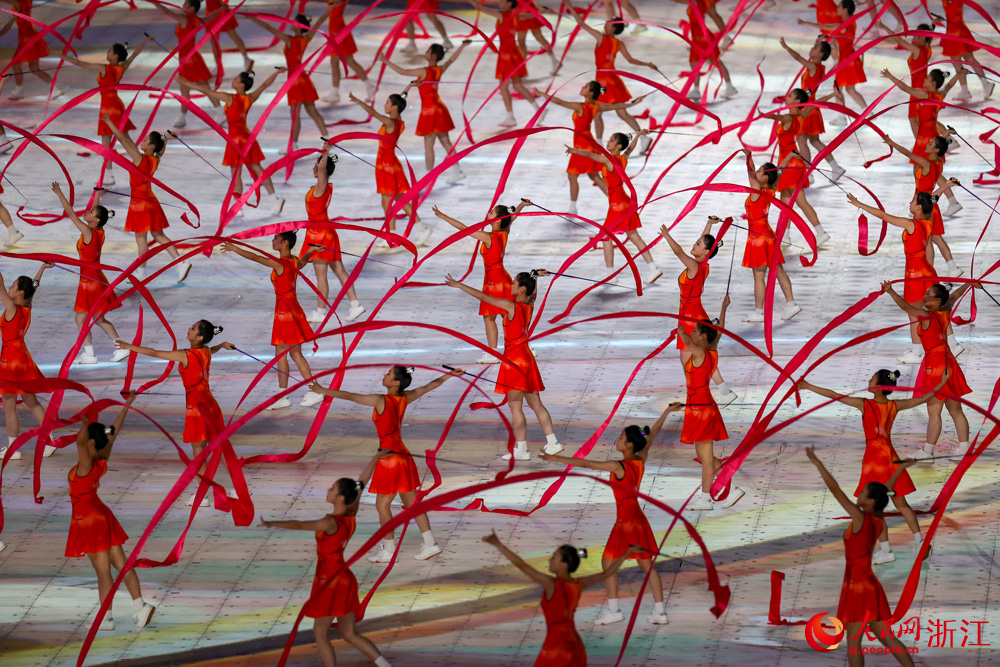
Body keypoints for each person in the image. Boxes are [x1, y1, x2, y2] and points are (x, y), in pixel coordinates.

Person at [307, 366, 463, 562]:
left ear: (396, 382)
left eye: (389, 374)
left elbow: (350, 396)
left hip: (390, 459)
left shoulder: (380, 400)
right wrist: (450, 374)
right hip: (404, 457)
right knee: (412, 503)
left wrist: (323, 390)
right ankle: (430, 543)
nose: (385, 375)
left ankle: (388, 550)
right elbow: (430, 386)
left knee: (382, 506)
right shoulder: (405, 398)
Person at [799, 369, 948, 565]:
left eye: (871, 379)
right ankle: (920, 541)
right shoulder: (895, 405)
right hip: (891, 458)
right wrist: (943, 381)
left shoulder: (865, 404)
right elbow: (925, 398)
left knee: (875, 510)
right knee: (902, 504)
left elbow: (835, 396)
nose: (867, 380)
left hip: (874, 462)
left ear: (878, 387)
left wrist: (808, 386)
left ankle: (886, 550)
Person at [540, 425, 671, 625]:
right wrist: (667, 413)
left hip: (625, 520)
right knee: (646, 564)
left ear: (628, 445)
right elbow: (648, 437)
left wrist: (556, 459)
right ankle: (660, 613)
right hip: (637, 517)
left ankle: (614, 610)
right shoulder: (640, 459)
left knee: (608, 563)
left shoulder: (618, 466)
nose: (616, 440)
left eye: (621, 437)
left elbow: (586, 464)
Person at [259, 476, 393, 667]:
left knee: (320, 633)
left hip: (329, 581)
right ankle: (385, 665)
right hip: (345, 579)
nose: (328, 491)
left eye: (332, 489)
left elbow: (299, 524)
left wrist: (272, 523)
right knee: (349, 633)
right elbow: (359, 485)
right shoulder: (351, 514)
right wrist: (377, 457)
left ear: (340, 498)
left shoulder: (330, 523)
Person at [804, 447, 918, 667]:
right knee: (885, 636)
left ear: (871, 501)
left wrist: (818, 463)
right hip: (866, 582)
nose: (859, 494)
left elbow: (836, 490)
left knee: (854, 641)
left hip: (858, 585)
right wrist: (901, 468)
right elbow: (886, 491)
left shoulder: (860, 517)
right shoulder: (876, 517)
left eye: (863, 493)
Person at [115, 320, 238, 506]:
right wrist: (221, 345)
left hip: (197, 408)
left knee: (198, 452)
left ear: (199, 337)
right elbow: (211, 350)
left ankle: (203, 495)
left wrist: (129, 346)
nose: (189, 328)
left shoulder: (184, 355)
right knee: (219, 448)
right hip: (211, 405)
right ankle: (237, 487)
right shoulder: (204, 351)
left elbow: (155, 353)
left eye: (193, 328)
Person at [445, 270, 565, 461]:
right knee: (536, 404)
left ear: (522, 288)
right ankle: (553, 443)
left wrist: (460, 285)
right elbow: (533, 293)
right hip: (526, 358)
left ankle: (522, 449)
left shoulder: (510, 306)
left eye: (514, 283)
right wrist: (535, 275)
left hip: (514, 361)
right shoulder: (530, 304)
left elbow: (484, 297)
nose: (511, 285)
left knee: (515, 406)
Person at [66, 394, 157, 632]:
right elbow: (112, 432)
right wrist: (126, 407)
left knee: (103, 572)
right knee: (121, 565)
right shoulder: (102, 458)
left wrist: (84, 423)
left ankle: (105, 618)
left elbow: (79, 443)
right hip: (101, 515)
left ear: (90, 443)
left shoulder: (86, 464)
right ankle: (140, 607)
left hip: (87, 520)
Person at [482, 530, 640, 665]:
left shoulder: (552, 584)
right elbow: (607, 573)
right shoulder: (578, 583)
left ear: (564, 564)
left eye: (554, 557)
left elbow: (523, 566)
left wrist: (498, 544)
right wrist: (627, 553)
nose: (550, 559)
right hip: (575, 645)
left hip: (557, 647)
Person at [222, 232, 324, 409]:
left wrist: (234, 248)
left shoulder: (280, 263)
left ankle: (310, 391)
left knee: (291, 353)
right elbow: (301, 263)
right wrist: (310, 252)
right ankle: (286, 394)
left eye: (276, 239)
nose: (273, 240)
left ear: (285, 243)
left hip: (286, 313)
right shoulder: (292, 260)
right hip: (289, 310)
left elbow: (255, 257)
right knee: (287, 353)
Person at [881, 280, 974, 461]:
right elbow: (954, 296)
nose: (924, 296)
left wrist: (890, 292)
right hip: (949, 363)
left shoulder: (926, 316)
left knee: (934, 412)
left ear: (937, 300)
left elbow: (905, 307)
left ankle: (928, 452)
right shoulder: (944, 312)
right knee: (956, 410)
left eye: (929, 294)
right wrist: (970, 284)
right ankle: (964, 449)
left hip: (935, 366)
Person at [845, 192, 937, 363]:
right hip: (927, 270)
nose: (909, 202)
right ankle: (947, 344)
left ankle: (917, 353)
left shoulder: (910, 224)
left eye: (912, 200)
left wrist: (860, 204)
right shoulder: (928, 221)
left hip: (914, 272)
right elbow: (930, 247)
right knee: (929, 311)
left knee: (913, 313)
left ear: (918, 207)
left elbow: (883, 216)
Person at [179, 71, 287, 216]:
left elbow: (206, 90)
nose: (234, 80)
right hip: (247, 138)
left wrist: (186, 83)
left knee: (236, 173)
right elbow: (265, 85)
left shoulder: (229, 97)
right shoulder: (249, 98)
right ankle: (275, 198)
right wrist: (278, 72)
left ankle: (239, 207)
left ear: (241, 84)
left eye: (236, 79)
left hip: (235, 140)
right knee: (257, 168)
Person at [433, 201, 528, 363]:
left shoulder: (488, 236)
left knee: (490, 317)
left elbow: (464, 228)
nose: (488, 214)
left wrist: (443, 216)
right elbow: (512, 218)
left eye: (491, 213)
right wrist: (521, 205)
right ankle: (520, 346)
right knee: (507, 314)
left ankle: (493, 353)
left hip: (494, 281)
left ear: (497, 220)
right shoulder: (504, 232)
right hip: (501, 278)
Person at [659, 217, 738, 405]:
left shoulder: (694, 266)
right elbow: (705, 244)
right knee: (699, 356)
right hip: (692, 313)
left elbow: (678, 252)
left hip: (690, 317)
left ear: (705, 252)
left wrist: (666, 235)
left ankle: (698, 397)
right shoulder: (702, 264)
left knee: (689, 362)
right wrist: (710, 224)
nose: (694, 245)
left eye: (698, 244)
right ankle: (723, 391)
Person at [565, 131, 662, 284]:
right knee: (633, 236)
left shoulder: (609, 160)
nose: (608, 142)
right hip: (624, 202)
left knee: (606, 237)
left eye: (611, 140)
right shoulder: (623, 158)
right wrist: (637, 136)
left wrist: (574, 151)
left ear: (618, 146)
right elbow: (630, 149)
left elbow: (591, 156)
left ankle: (612, 275)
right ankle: (652, 267)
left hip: (618, 206)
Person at [101, 122, 192, 282]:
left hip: (140, 204)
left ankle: (141, 272)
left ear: (151, 147)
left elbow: (122, 139)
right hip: (150, 200)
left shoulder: (140, 158)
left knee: (141, 239)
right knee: (159, 235)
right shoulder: (155, 159)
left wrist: (109, 123)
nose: (141, 141)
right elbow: (160, 150)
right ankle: (181, 263)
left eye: (145, 140)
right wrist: (166, 139)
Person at [677, 295, 745, 510]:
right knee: (704, 455)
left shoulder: (699, 352)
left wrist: (680, 328)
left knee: (706, 458)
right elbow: (719, 330)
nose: (693, 333)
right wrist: (723, 308)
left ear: (703, 337)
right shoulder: (712, 348)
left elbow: (687, 340)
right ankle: (732, 489)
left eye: (697, 331)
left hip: (702, 409)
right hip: (698, 407)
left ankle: (705, 499)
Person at [51, 183, 130, 365]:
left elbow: (71, 213)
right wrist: (97, 196)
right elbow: (95, 214)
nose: (85, 213)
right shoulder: (99, 231)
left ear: (95, 220)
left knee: (84, 318)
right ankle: (111, 348)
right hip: (95, 278)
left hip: (90, 281)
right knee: (96, 318)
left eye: (90, 213)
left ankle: (93, 353)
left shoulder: (88, 232)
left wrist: (60, 193)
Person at [536, 82, 643, 214]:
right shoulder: (597, 106)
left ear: (591, 93)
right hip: (589, 142)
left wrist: (542, 94)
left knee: (572, 175)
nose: (582, 87)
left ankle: (573, 207)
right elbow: (616, 106)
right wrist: (633, 103)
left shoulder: (580, 106)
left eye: (585, 87)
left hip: (582, 144)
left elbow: (560, 102)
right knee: (593, 175)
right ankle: (614, 201)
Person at [348, 92, 433, 248]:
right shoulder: (398, 121)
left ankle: (391, 236)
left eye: (387, 102)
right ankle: (422, 229)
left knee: (387, 202)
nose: (385, 105)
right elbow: (400, 99)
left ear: (395, 107)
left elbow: (374, 113)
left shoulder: (389, 122)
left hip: (386, 166)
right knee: (399, 200)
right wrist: (408, 88)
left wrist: (358, 100)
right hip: (391, 163)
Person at [566, 4, 657, 147]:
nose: (605, 24)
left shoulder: (602, 38)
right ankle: (643, 138)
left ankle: (599, 144)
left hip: (603, 82)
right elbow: (631, 60)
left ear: (613, 28)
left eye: (608, 23)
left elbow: (582, 23)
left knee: (597, 113)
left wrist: (569, 6)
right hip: (613, 80)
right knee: (622, 113)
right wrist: (648, 64)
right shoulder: (618, 43)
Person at [61, 38, 149, 186]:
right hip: (117, 104)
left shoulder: (105, 68)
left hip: (108, 106)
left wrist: (59, 55)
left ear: (115, 56)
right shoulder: (121, 68)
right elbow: (134, 55)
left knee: (109, 141)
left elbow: (80, 63)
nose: (107, 53)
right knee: (124, 138)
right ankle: (140, 166)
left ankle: (110, 174)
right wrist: (144, 41)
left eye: (110, 51)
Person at [377, 39, 471, 177]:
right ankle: (457, 171)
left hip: (429, 111)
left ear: (433, 55)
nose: (425, 53)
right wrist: (462, 46)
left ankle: (428, 178)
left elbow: (403, 72)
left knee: (429, 145)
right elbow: (451, 60)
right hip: (439, 108)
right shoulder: (439, 69)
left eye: (428, 51)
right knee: (445, 141)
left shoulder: (424, 71)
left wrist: (386, 61)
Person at [247, 11, 332, 153]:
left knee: (295, 115)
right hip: (304, 79)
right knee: (312, 110)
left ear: (298, 26)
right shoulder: (306, 39)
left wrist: (253, 18)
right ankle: (327, 138)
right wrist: (329, 9)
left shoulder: (289, 40)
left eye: (294, 21)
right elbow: (319, 22)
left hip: (294, 80)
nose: (291, 22)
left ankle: (294, 145)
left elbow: (269, 28)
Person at [300, 148, 366, 324]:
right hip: (324, 232)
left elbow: (322, 169)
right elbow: (322, 169)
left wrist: (326, 150)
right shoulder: (323, 186)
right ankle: (355, 305)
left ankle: (321, 312)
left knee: (322, 275)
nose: (314, 168)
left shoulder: (322, 185)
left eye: (316, 165)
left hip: (319, 235)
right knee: (339, 270)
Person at [882, 135, 961, 276]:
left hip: (925, 205)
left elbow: (908, 153)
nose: (928, 143)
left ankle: (930, 270)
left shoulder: (926, 164)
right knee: (936, 239)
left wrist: (891, 142)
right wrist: (944, 136)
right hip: (930, 203)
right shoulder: (939, 163)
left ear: (936, 150)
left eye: (931, 144)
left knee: (929, 241)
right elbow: (939, 148)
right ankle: (953, 267)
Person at [1, 263, 56, 460]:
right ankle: (49, 441)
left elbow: (1, 286)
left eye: (13, 285)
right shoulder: (27, 306)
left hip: (11, 362)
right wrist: (42, 268)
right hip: (23, 359)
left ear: (20, 292)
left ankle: (13, 449)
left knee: (9, 407)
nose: (9, 287)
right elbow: (34, 285)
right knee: (31, 402)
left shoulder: (11, 308)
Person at [762, 89, 830, 246]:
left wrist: (763, 114)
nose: (787, 97)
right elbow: (816, 103)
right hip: (789, 162)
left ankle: (821, 232)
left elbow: (775, 116)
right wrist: (833, 94)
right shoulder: (801, 116)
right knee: (785, 202)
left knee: (801, 201)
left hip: (791, 164)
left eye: (791, 96)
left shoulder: (788, 117)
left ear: (798, 102)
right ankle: (785, 236)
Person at [739, 150, 801, 322]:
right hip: (768, 235)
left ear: (765, 178)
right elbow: (778, 171)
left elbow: (750, 172)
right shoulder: (771, 189)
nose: (756, 172)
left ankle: (759, 312)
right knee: (779, 271)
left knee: (759, 276)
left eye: (760, 171)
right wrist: (789, 157)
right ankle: (791, 304)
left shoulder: (757, 191)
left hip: (757, 239)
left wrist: (749, 157)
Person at [467, 0, 544, 127]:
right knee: (517, 86)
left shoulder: (501, 15)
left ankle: (511, 117)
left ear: (509, 3)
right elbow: (531, 15)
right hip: (514, 52)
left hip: (506, 55)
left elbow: (482, 8)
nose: (500, 2)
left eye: (503, 1)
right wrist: (541, 11)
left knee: (504, 87)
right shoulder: (515, 15)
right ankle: (537, 110)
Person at [777, 37, 845, 179]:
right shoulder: (819, 67)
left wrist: (786, 47)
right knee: (814, 141)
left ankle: (808, 175)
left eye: (815, 48)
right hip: (812, 108)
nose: (811, 49)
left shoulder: (813, 66)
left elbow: (798, 57)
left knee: (802, 142)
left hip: (807, 109)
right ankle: (835, 167)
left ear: (820, 54)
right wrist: (819, 41)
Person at [153, 0, 224, 128]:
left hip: (189, 59)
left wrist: (154, 2)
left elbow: (166, 11)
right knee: (185, 87)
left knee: (202, 86)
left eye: (185, 3)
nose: (182, 5)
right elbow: (208, 18)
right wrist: (220, 10)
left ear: (191, 7)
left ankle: (218, 111)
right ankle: (183, 116)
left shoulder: (184, 18)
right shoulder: (195, 19)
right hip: (190, 57)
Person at [799, 0, 867, 118]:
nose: (837, 8)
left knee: (837, 89)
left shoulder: (843, 25)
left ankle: (842, 117)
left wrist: (805, 23)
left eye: (839, 6)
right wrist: (828, 36)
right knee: (850, 89)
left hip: (845, 60)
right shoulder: (851, 22)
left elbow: (825, 26)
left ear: (845, 10)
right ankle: (868, 112)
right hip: (851, 57)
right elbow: (841, 35)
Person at [880, 67, 960, 163]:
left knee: (921, 171)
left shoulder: (925, 95)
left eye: (927, 78)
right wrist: (959, 74)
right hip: (933, 135)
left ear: (933, 83)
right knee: (930, 168)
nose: (924, 79)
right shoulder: (940, 95)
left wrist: (890, 76)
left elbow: (905, 88)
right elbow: (948, 86)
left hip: (925, 138)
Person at [668, 0, 738, 102]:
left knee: (715, 61)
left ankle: (729, 86)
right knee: (694, 63)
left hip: (703, 37)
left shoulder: (695, 1)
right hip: (697, 38)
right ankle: (696, 89)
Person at [878, 21, 934, 139]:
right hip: (921, 88)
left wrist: (884, 27)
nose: (915, 37)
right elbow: (930, 35)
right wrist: (933, 24)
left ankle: (921, 143)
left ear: (924, 39)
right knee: (919, 118)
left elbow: (900, 41)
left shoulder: (917, 50)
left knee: (914, 118)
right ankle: (923, 142)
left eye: (918, 35)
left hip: (917, 89)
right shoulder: (927, 48)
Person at [2, 0, 64, 100]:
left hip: (27, 38)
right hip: (28, 36)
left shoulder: (20, 3)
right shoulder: (22, 3)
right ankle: (55, 89)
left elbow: (12, 3)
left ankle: (19, 90)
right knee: (34, 68)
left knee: (17, 65)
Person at [939, 0, 995, 101]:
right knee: (969, 58)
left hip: (954, 32)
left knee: (957, 62)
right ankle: (985, 84)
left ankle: (965, 90)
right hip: (959, 29)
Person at [323, 0, 375, 103]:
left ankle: (335, 92)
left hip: (338, 30)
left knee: (339, 62)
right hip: (337, 28)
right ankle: (369, 86)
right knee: (347, 61)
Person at [204, 0, 252, 72]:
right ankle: (246, 58)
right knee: (232, 36)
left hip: (216, 11)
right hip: (216, 10)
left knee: (215, 41)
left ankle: (219, 67)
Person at [514, 0, 559, 73]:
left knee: (536, 38)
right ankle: (522, 67)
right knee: (523, 41)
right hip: (521, 7)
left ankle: (554, 60)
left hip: (525, 7)